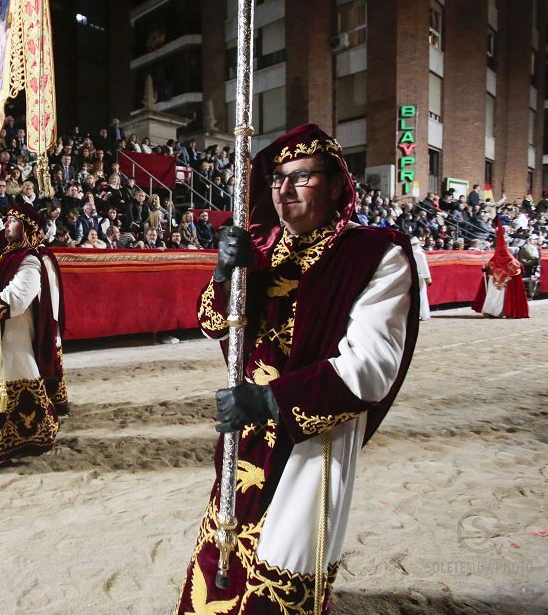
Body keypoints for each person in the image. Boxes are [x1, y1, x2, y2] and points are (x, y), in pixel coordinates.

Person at [175, 124, 419, 614]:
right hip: (245, 431)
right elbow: (213, 324)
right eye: (276, 179)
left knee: (283, 566)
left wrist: (270, 400)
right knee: (225, 545)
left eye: (300, 177)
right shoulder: (260, 246)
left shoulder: (375, 256)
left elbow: (371, 367)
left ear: (335, 185)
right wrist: (226, 276)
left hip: (313, 433)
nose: (283, 190)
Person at [0, 201, 64, 482]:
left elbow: (17, 298)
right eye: (7, 219)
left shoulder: (29, 260)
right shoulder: (1, 253)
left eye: (14, 220)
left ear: (27, 227)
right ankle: (27, 439)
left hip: (11, 335)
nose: (7, 224)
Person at [471, 221, 529, 319]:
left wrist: (487, 270)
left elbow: (517, 268)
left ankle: (495, 311)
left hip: (501, 281)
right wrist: (486, 270)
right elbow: (518, 268)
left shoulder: (505, 258)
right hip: (497, 281)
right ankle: (492, 311)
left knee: (496, 297)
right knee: (495, 296)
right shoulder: (504, 258)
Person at [411, 235, 433, 320]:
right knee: (422, 295)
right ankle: (423, 314)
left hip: (412, 276)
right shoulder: (420, 254)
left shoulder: (408, 253)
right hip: (420, 276)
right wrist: (428, 277)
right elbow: (424, 267)